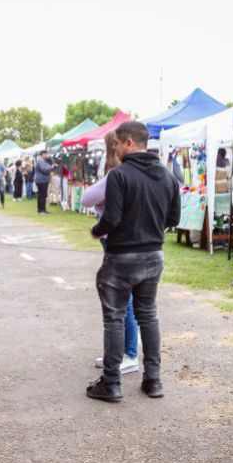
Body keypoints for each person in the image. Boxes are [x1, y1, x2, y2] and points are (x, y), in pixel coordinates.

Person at [86, 121, 181, 402]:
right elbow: (173, 220)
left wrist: (96, 231)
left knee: (115, 317)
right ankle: (153, 381)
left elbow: (112, 218)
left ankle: (112, 383)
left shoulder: (119, 175)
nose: (114, 148)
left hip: (121, 258)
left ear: (128, 142)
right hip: (153, 256)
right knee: (148, 315)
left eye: (116, 143)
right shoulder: (168, 177)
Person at [81, 130, 140, 375]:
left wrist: (99, 224)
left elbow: (87, 199)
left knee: (122, 301)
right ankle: (124, 353)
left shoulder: (115, 174)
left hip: (119, 242)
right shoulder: (136, 172)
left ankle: (128, 354)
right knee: (130, 300)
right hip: (136, 240)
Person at [34, 150, 54, 214]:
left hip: (42, 180)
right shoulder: (41, 161)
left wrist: (51, 167)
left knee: (41, 195)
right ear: (42, 154)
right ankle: (42, 209)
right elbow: (44, 169)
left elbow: (47, 168)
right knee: (43, 195)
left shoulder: (43, 161)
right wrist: (52, 167)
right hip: (42, 180)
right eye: (46, 154)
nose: (47, 155)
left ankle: (40, 209)